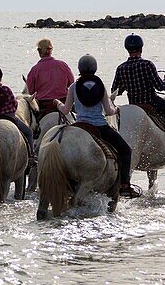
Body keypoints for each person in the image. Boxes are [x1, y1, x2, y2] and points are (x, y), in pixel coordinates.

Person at [58, 55, 142, 198]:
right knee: (126, 150)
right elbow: (109, 111)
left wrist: (57, 104)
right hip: (100, 127)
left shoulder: (73, 87)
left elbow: (65, 110)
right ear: (95, 69)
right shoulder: (100, 85)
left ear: (79, 69)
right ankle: (124, 186)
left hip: (80, 126)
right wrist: (117, 110)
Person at [110, 34, 165, 171]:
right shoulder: (147, 64)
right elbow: (160, 87)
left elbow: (116, 90)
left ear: (127, 49)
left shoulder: (121, 68)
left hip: (133, 105)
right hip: (152, 103)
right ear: (141, 48)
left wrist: (128, 83)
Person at [0, 64, 35, 165]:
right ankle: (31, 156)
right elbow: (14, 105)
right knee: (28, 132)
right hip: (10, 118)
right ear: (0, 78)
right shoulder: (6, 89)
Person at [25, 38, 74, 117]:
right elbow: (71, 83)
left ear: (39, 51)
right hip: (63, 102)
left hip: (43, 105)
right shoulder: (63, 65)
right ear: (51, 50)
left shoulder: (34, 70)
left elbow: (30, 91)